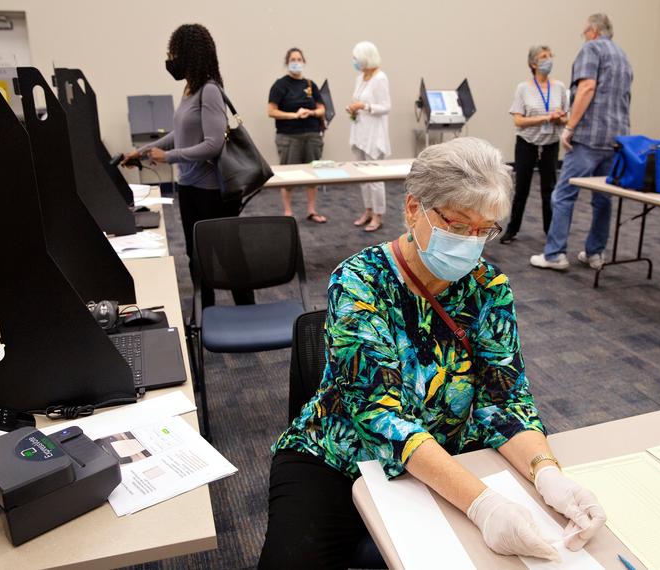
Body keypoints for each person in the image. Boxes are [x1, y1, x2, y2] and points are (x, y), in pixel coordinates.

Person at [259, 138, 606, 569]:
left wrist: (547, 472)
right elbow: (377, 415)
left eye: (485, 230)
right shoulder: (359, 281)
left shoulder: (488, 288)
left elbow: (506, 399)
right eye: (459, 226)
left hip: (448, 454)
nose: (471, 242)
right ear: (412, 209)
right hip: (338, 455)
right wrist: (482, 504)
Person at [123, 24, 253, 308]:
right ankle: (205, 314)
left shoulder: (210, 91)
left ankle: (247, 311)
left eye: (174, 53)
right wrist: (143, 152)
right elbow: (178, 135)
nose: (170, 59)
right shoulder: (189, 90)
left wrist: (167, 157)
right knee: (196, 256)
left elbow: (213, 144)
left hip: (211, 192)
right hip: (189, 188)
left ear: (190, 55)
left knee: (229, 257)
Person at [530, 13, 633, 271]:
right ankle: (595, 253)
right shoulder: (623, 56)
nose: (584, 37)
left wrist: (570, 127)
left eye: (584, 32)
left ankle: (554, 254)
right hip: (616, 140)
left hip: (588, 138)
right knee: (603, 199)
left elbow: (586, 88)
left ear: (593, 31)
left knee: (564, 194)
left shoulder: (591, 49)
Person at [502, 45, 569, 244]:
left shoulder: (559, 88)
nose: (548, 60)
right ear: (533, 63)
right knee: (521, 188)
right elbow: (518, 121)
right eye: (543, 57)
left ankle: (551, 232)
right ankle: (512, 230)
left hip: (550, 144)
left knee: (549, 190)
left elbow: (567, 118)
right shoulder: (523, 88)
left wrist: (559, 118)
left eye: (550, 56)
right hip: (527, 143)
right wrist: (545, 118)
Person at [267, 48, 327, 223]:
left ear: (304, 62)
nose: (296, 62)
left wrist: (311, 112)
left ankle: (311, 210)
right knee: (288, 174)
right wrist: (294, 115)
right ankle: (288, 211)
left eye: (299, 59)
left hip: (312, 134)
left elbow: (322, 108)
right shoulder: (280, 85)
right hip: (288, 136)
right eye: (293, 59)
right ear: (287, 62)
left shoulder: (310, 84)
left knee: (313, 174)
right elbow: (271, 111)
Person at [348, 41, 391, 233]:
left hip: (374, 135)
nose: (354, 61)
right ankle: (367, 210)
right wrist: (353, 107)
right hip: (360, 133)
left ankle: (378, 215)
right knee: (362, 177)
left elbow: (386, 106)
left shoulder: (380, 78)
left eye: (356, 58)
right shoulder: (360, 77)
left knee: (374, 177)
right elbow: (357, 100)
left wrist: (364, 107)